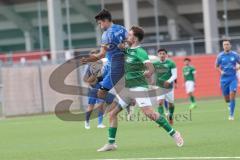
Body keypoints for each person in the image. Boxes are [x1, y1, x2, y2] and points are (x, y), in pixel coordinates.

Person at [97, 26, 184, 152]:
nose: (128, 36)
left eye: (130, 35)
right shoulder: (127, 49)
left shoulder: (140, 52)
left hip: (138, 87)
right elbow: (116, 45)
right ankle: (111, 143)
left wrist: (148, 73)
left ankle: (174, 134)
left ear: (136, 38)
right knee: (112, 114)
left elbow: (151, 68)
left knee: (149, 113)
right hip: (128, 89)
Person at [80, 9, 127, 103]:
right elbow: (129, 44)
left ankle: (123, 103)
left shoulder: (106, 35)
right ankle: (124, 100)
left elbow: (101, 54)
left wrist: (88, 59)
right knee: (92, 80)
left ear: (105, 20)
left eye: (100, 23)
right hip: (111, 65)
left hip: (115, 68)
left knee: (100, 94)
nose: (100, 26)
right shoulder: (122, 28)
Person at [216, 39, 240, 120]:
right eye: (224, 44)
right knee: (227, 99)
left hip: (233, 78)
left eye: (227, 44)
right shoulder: (220, 56)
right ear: (223, 46)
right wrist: (221, 71)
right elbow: (216, 66)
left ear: (230, 45)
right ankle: (229, 104)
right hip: (224, 80)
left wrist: (238, 67)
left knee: (232, 95)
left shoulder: (235, 55)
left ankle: (231, 115)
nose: (226, 46)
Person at [153, 49, 177, 125]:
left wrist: (169, 81)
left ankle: (170, 117)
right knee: (160, 103)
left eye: (163, 53)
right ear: (158, 55)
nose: (162, 55)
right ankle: (161, 121)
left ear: (166, 55)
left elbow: (174, 75)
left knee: (171, 104)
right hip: (159, 86)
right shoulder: (155, 64)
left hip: (169, 87)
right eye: (160, 53)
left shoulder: (171, 63)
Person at [83, 49, 106, 129]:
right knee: (91, 106)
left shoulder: (100, 64)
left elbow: (101, 78)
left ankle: (100, 123)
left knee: (101, 105)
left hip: (99, 87)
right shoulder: (88, 66)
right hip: (92, 88)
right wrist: (90, 86)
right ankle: (87, 121)